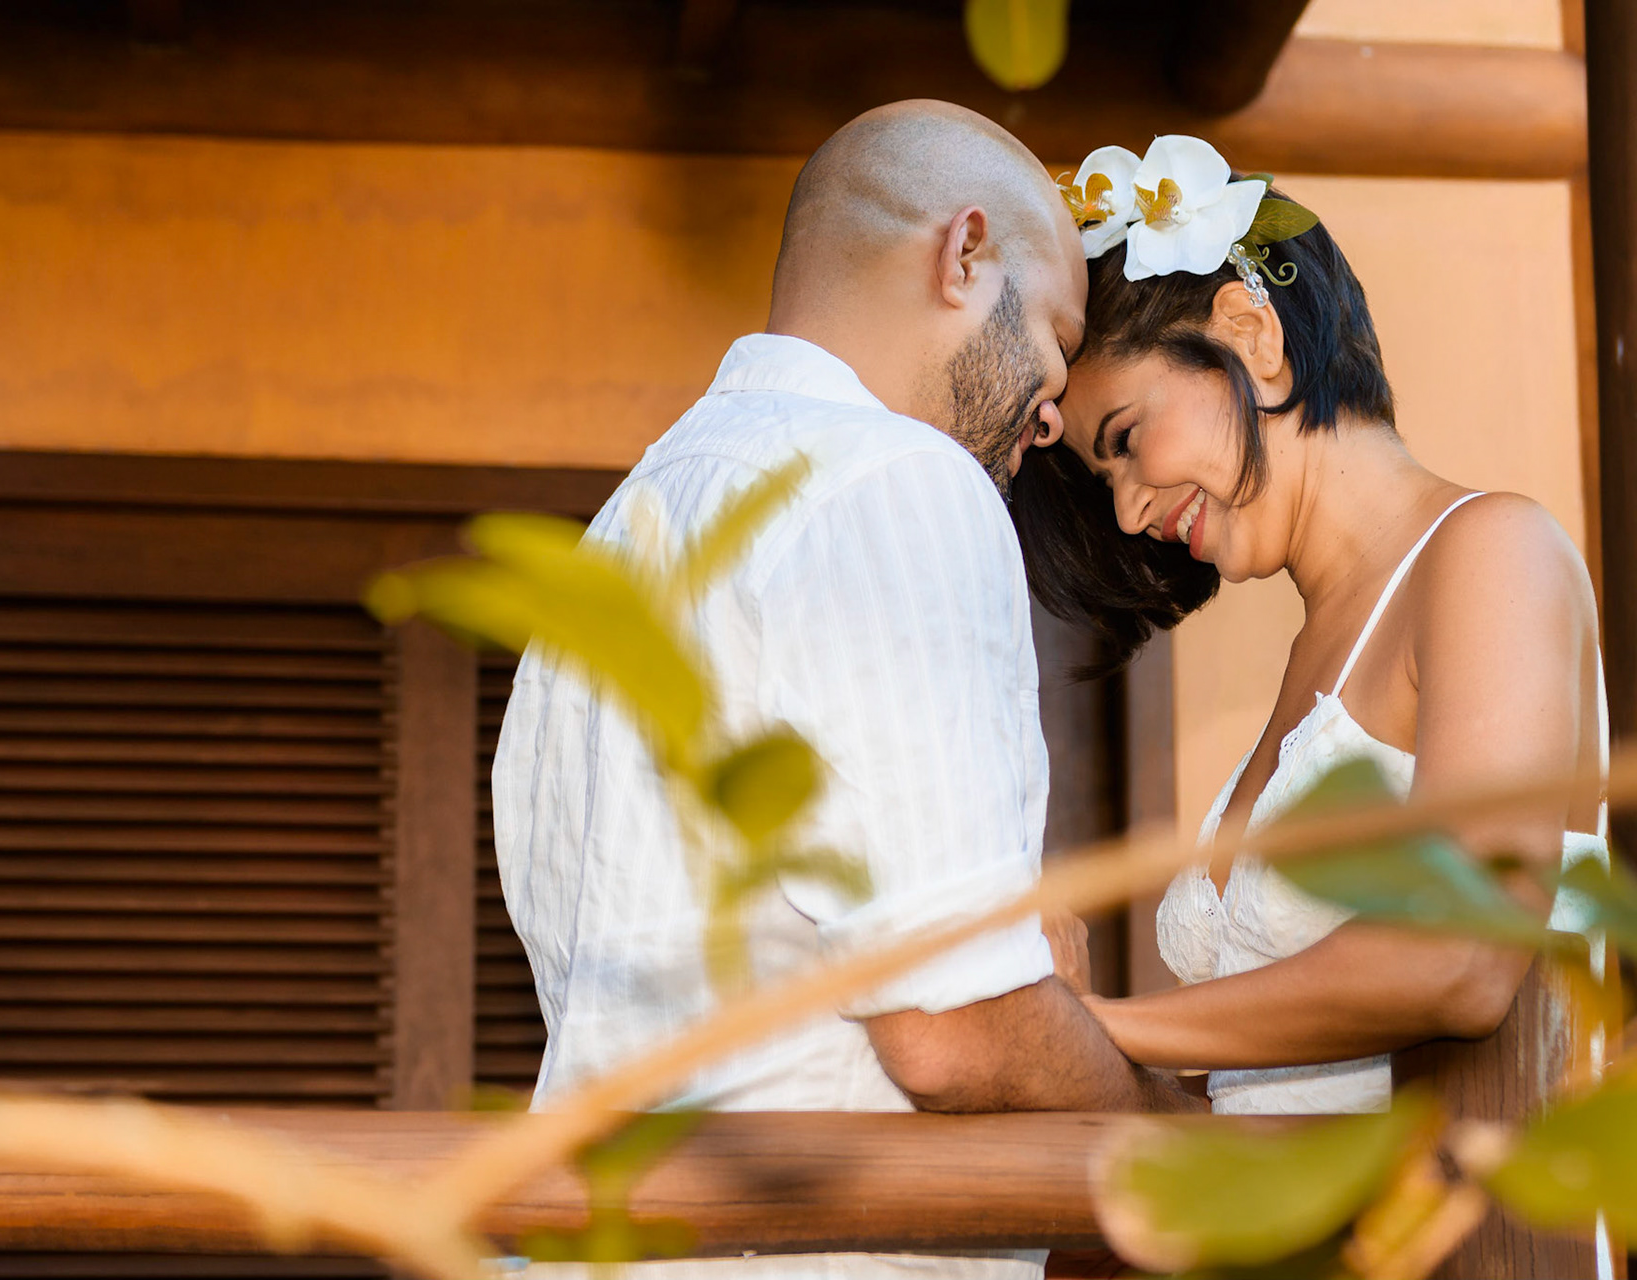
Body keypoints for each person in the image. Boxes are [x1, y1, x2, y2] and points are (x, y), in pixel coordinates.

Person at [493, 102, 1199, 1279]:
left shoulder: (623, 531)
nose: (1049, 413)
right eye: (1054, 341)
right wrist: (1176, 1136)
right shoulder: (900, 478)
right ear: (963, 254)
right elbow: (951, 1029)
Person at [1012, 135, 1608, 1116]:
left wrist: (1092, 1024)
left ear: (1250, 334)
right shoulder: (1314, 652)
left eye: (1125, 439)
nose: (1125, 509)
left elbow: (1462, 955)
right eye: (1105, 476)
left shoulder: (1494, 550)